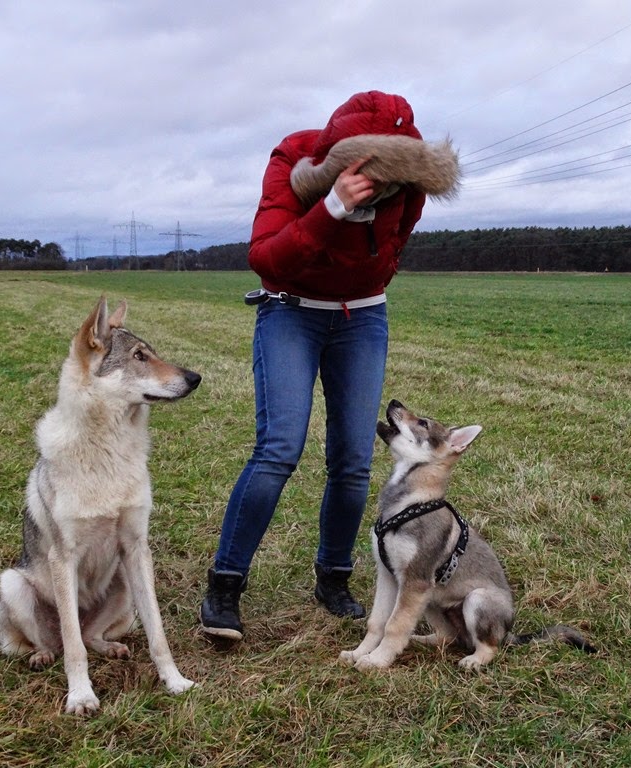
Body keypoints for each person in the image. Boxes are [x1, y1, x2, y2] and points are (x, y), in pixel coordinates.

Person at [200, 90, 459, 641]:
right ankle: (225, 585)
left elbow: (387, 253)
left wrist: (365, 289)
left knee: (350, 460)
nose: (388, 187)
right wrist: (332, 209)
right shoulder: (290, 161)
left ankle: (334, 578)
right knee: (278, 449)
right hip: (290, 313)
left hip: (363, 321)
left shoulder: (409, 187)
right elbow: (265, 258)